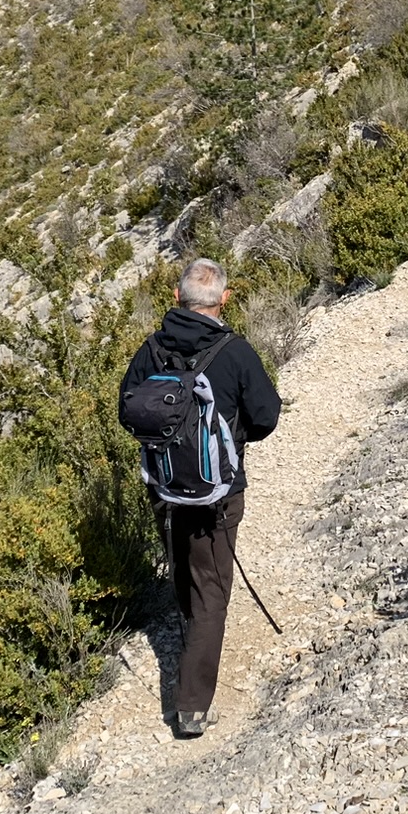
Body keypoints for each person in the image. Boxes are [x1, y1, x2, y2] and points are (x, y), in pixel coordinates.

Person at [118, 256, 281, 737]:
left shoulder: (151, 349)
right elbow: (267, 415)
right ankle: (191, 705)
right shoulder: (234, 351)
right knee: (213, 590)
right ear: (224, 300)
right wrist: (231, 438)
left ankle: (190, 637)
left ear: (177, 298)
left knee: (186, 566)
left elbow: (127, 410)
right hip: (217, 494)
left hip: (164, 487)